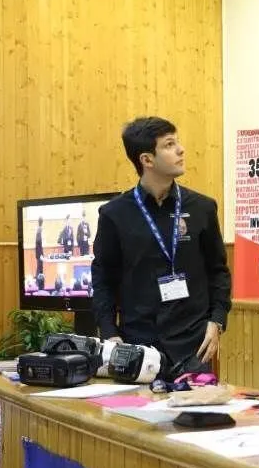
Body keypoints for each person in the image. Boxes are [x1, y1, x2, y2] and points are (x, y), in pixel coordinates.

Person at [91, 116, 232, 373]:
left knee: (199, 402)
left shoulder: (202, 208)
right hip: (139, 347)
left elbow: (218, 271)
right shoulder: (114, 215)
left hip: (194, 345)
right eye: (169, 144)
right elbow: (103, 279)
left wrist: (217, 321)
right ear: (147, 160)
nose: (181, 150)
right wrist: (110, 333)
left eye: (177, 142)